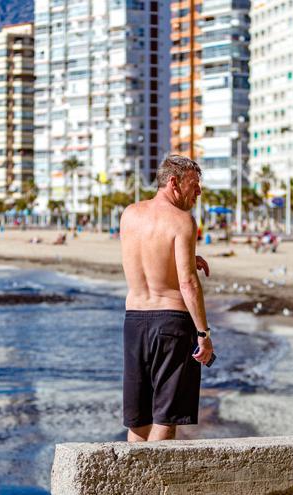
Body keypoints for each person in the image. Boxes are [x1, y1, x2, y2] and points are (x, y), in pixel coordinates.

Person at [119, 155, 214, 442]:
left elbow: (147, 255)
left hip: (134, 322)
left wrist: (184, 258)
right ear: (173, 182)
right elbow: (187, 283)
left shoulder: (130, 214)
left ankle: (131, 482)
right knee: (166, 416)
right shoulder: (182, 220)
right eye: (194, 185)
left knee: (138, 419)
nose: (198, 193)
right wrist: (203, 334)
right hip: (171, 323)